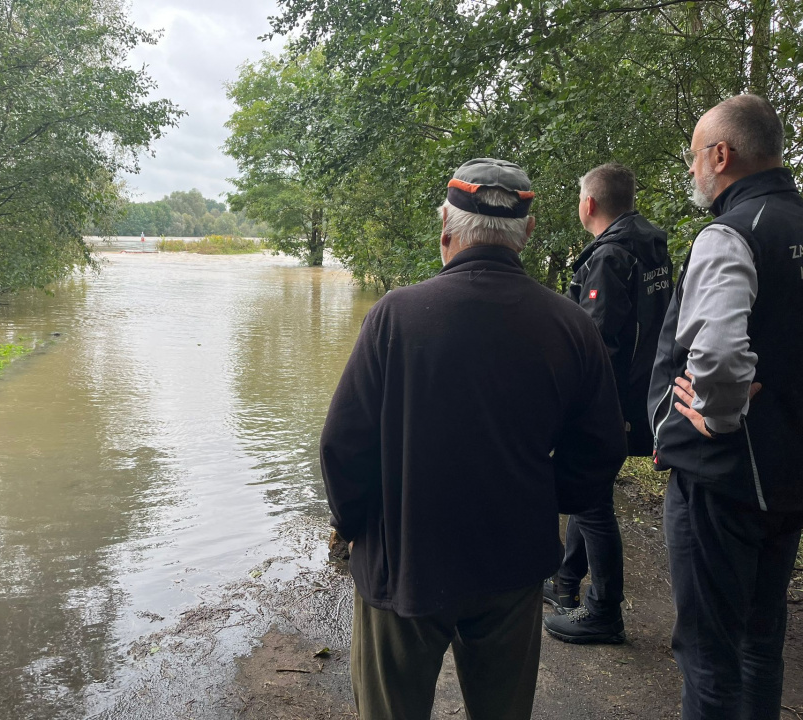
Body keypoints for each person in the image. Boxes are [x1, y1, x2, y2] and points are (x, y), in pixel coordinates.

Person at [320, 158, 628, 720]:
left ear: (445, 229)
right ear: (527, 233)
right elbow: (600, 451)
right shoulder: (569, 325)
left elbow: (344, 446)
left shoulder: (395, 317)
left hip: (403, 565)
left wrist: (357, 526)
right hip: (511, 566)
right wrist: (541, 497)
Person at [649, 94, 803, 719]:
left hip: (723, 479)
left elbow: (713, 355)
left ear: (721, 154)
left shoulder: (732, 234)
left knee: (710, 654)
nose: (692, 171)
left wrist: (720, 411)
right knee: (763, 644)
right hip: (789, 476)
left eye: (694, 157)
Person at [543, 163, 673, 644]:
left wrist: (575, 405)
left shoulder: (609, 256)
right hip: (643, 393)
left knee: (593, 502)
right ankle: (564, 584)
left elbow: (594, 341)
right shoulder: (650, 245)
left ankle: (604, 612)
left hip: (609, 400)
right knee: (590, 492)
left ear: (589, 204)